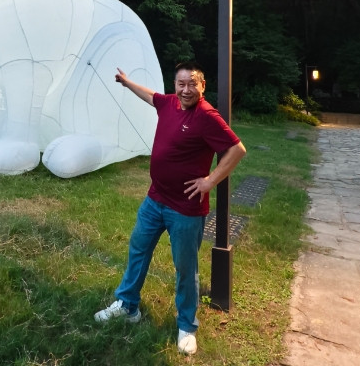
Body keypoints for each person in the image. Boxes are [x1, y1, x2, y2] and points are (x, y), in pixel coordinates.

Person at [94, 61, 246, 355]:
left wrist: (210, 181)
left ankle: (187, 325)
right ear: (175, 85)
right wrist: (126, 82)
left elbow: (236, 150)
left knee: (185, 268)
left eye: (192, 84)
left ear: (202, 86)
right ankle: (127, 306)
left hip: (185, 209)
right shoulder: (169, 103)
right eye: (181, 84)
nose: (186, 89)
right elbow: (150, 95)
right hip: (155, 199)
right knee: (138, 250)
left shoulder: (207, 116)